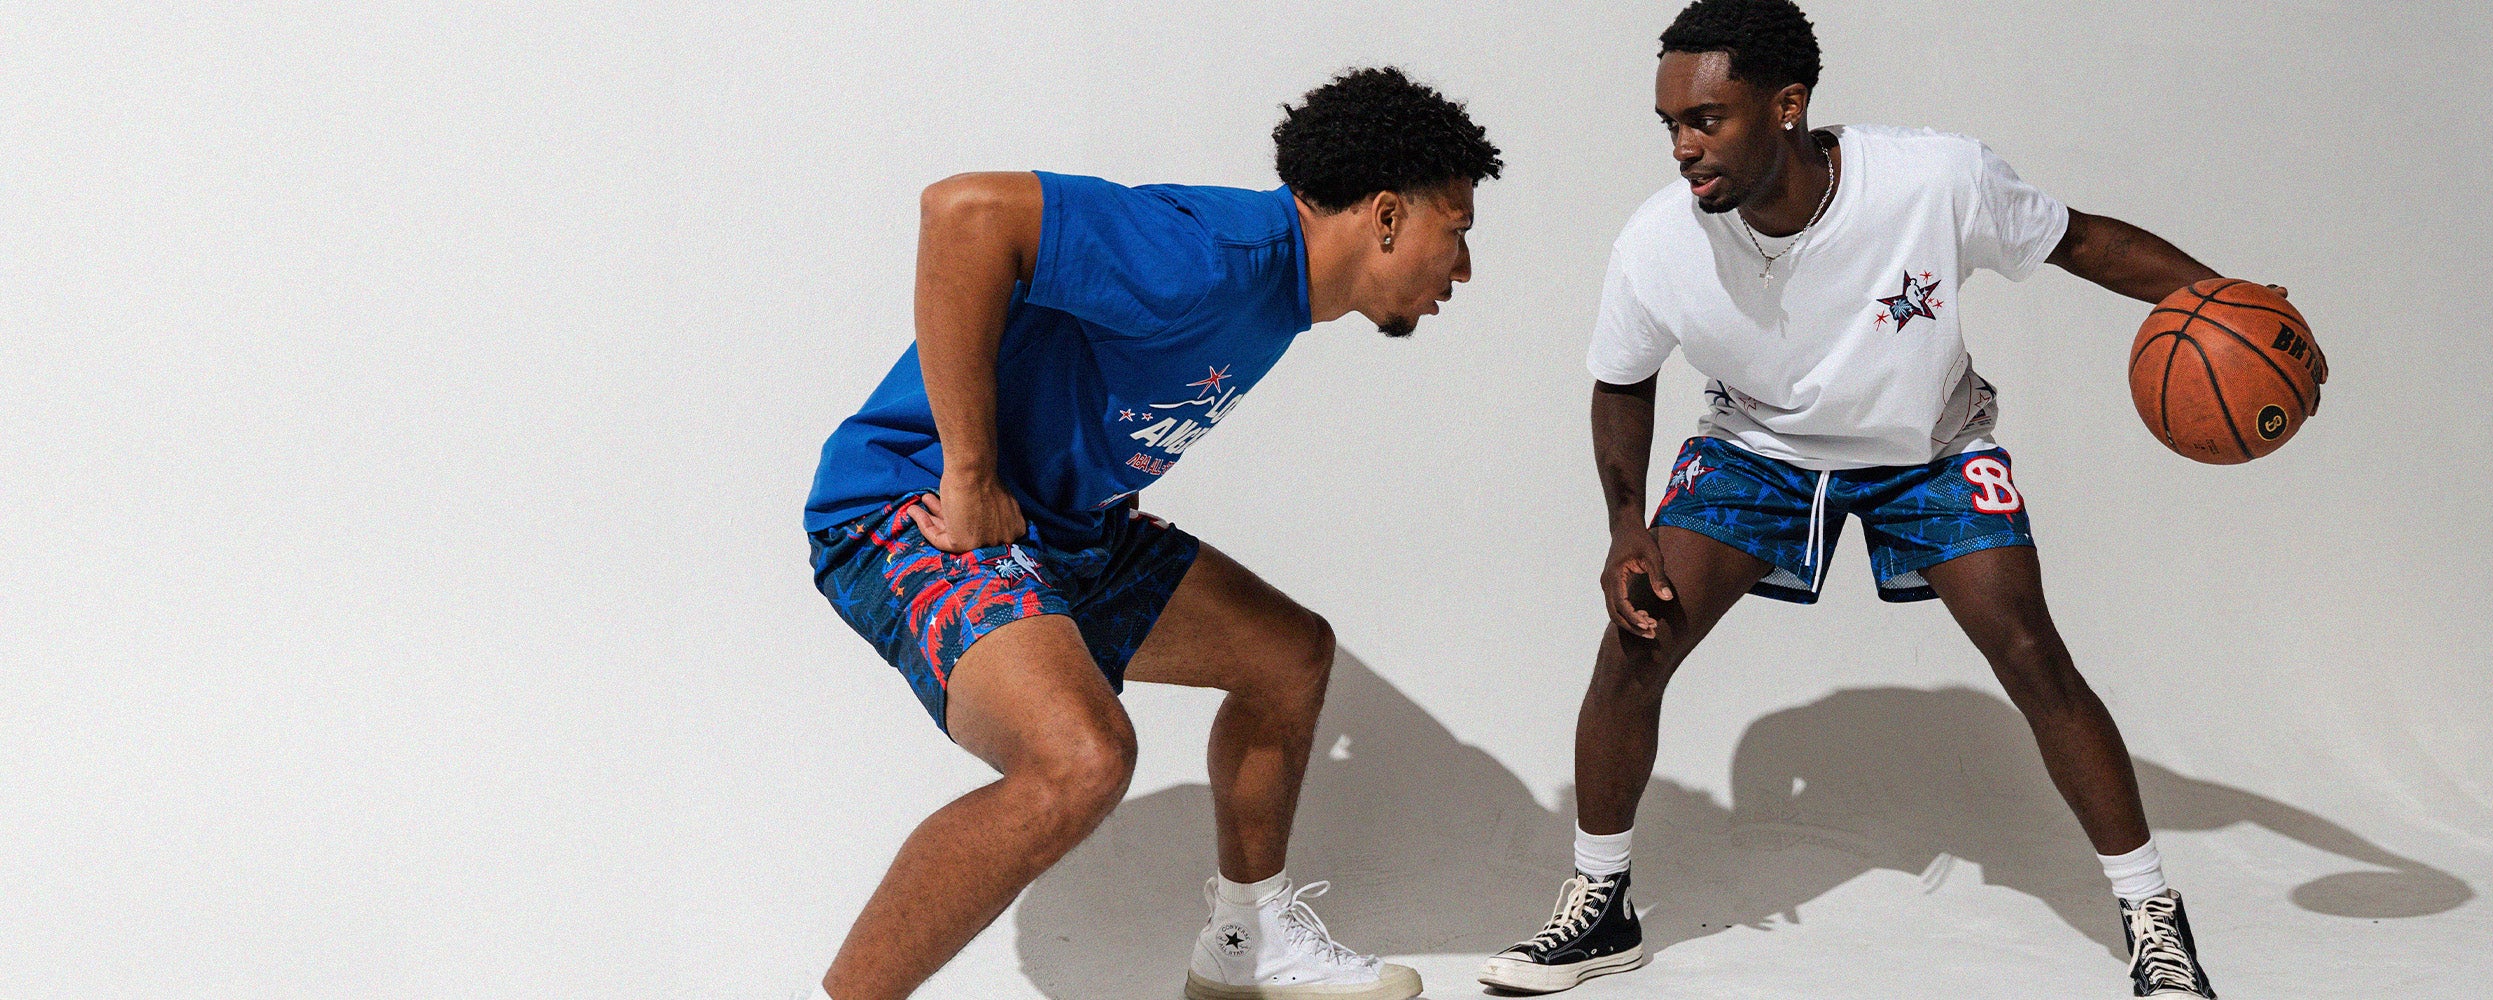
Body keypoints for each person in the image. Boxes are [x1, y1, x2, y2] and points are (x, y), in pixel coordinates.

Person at [1480, 2, 2300, 997]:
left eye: (1706, 120)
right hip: (1758, 448)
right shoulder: (1659, 240)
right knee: (1635, 642)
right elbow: (1621, 381)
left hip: (1929, 447)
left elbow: (2082, 241)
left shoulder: (1932, 180)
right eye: (1670, 125)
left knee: (2030, 650)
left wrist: (2229, 303)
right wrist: (1624, 529)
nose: (1682, 148)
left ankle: (2152, 917)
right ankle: (1601, 903)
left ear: (1787, 106)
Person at [802, 67, 1499, 1000]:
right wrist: (968, 474)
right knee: (1080, 760)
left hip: (1065, 530)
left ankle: (1247, 945)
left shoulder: (1282, 293)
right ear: (1384, 216)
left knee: (1289, 657)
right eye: (1455, 231)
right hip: (909, 510)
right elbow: (964, 214)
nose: (1462, 267)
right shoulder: (1207, 254)